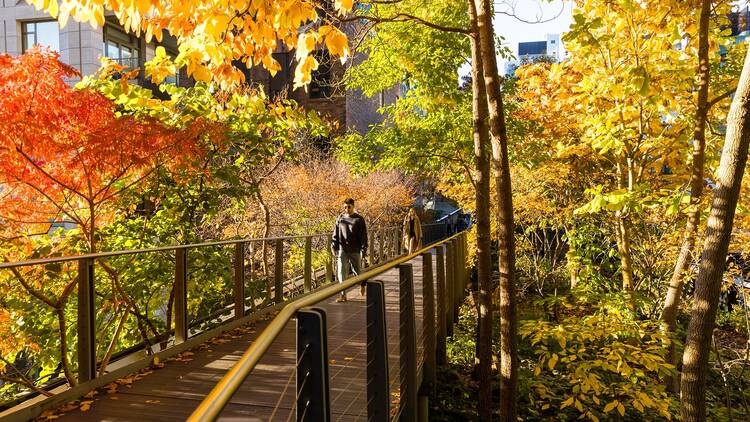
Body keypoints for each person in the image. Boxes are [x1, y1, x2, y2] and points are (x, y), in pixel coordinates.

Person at [331, 198, 368, 302]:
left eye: (349, 207)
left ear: (353, 206)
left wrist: (364, 248)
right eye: (345, 207)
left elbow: (363, 235)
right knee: (341, 272)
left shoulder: (359, 219)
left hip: (355, 249)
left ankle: (362, 284)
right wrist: (334, 245)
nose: (346, 209)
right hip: (343, 249)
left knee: (357, 272)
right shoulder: (340, 218)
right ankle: (343, 295)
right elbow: (335, 233)